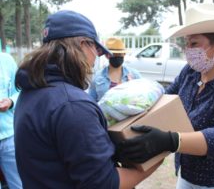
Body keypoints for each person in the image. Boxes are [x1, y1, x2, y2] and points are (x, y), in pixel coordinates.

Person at [13, 10, 160, 189]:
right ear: (83, 45)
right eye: (96, 51)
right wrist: (151, 164)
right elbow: (104, 184)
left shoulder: (31, 90)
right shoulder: (73, 105)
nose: (94, 61)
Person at [118, 3, 214, 189]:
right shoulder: (190, 73)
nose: (187, 50)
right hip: (188, 173)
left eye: (194, 43)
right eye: (187, 43)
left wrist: (170, 140)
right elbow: (164, 100)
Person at [89, 37, 141, 102]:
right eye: (113, 54)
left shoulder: (134, 75)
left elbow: (142, 98)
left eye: (119, 54)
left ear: (124, 54)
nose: (117, 56)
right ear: (107, 55)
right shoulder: (97, 77)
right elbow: (91, 100)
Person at [0, 52, 23, 189]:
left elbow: (20, 90)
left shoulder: (7, 60)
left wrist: (11, 101)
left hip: (9, 137)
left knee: (19, 184)